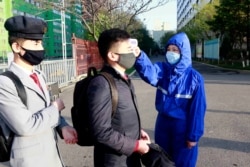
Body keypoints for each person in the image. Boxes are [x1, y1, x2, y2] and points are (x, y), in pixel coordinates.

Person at [0, 15, 78, 167]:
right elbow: (25, 126)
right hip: (27, 161)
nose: (41, 49)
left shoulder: (39, 75)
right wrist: (55, 108)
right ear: (17, 47)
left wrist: (63, 127)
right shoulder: (5, 83)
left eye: (41, 43)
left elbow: (47, 107)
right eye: (35, 44)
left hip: (51, 156)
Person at [134, 32, 207, 167]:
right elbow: (149, 73)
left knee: (183, 162)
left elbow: (198, 110)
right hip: (163, 124)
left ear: (183, 52)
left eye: (175, 50)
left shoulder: (195, 78)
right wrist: (139, 56)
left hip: (183, 127)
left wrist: (193, 136)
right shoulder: (163, 70)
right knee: (163, 160)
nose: (170, 53)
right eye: (168, 49)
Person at [87, 28, 151, 167]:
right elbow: (101, 132)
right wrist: (135, 145)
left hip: (129, 157)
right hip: (114, 161)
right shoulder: (102, 84)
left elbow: (120, 117)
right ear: (113, 55)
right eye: (128, 49)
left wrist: (137, 131)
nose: (133, 53)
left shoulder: (123, 79)